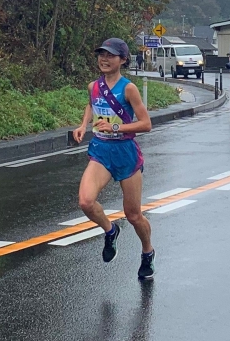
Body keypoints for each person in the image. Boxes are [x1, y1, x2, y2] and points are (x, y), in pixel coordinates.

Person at [73, 38, 156, 280]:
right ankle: (110, 231)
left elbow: (146, 124)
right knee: (86, 202)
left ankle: (147, 252)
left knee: (133, 215)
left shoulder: (128, 88)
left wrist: (115, 126)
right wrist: (83, 124)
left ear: (123, 60)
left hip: (125, 153)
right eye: (101, 54)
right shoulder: (93, 86)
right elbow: (92, 104)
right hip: (101, 151)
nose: (104, 59)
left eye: (110, 55)